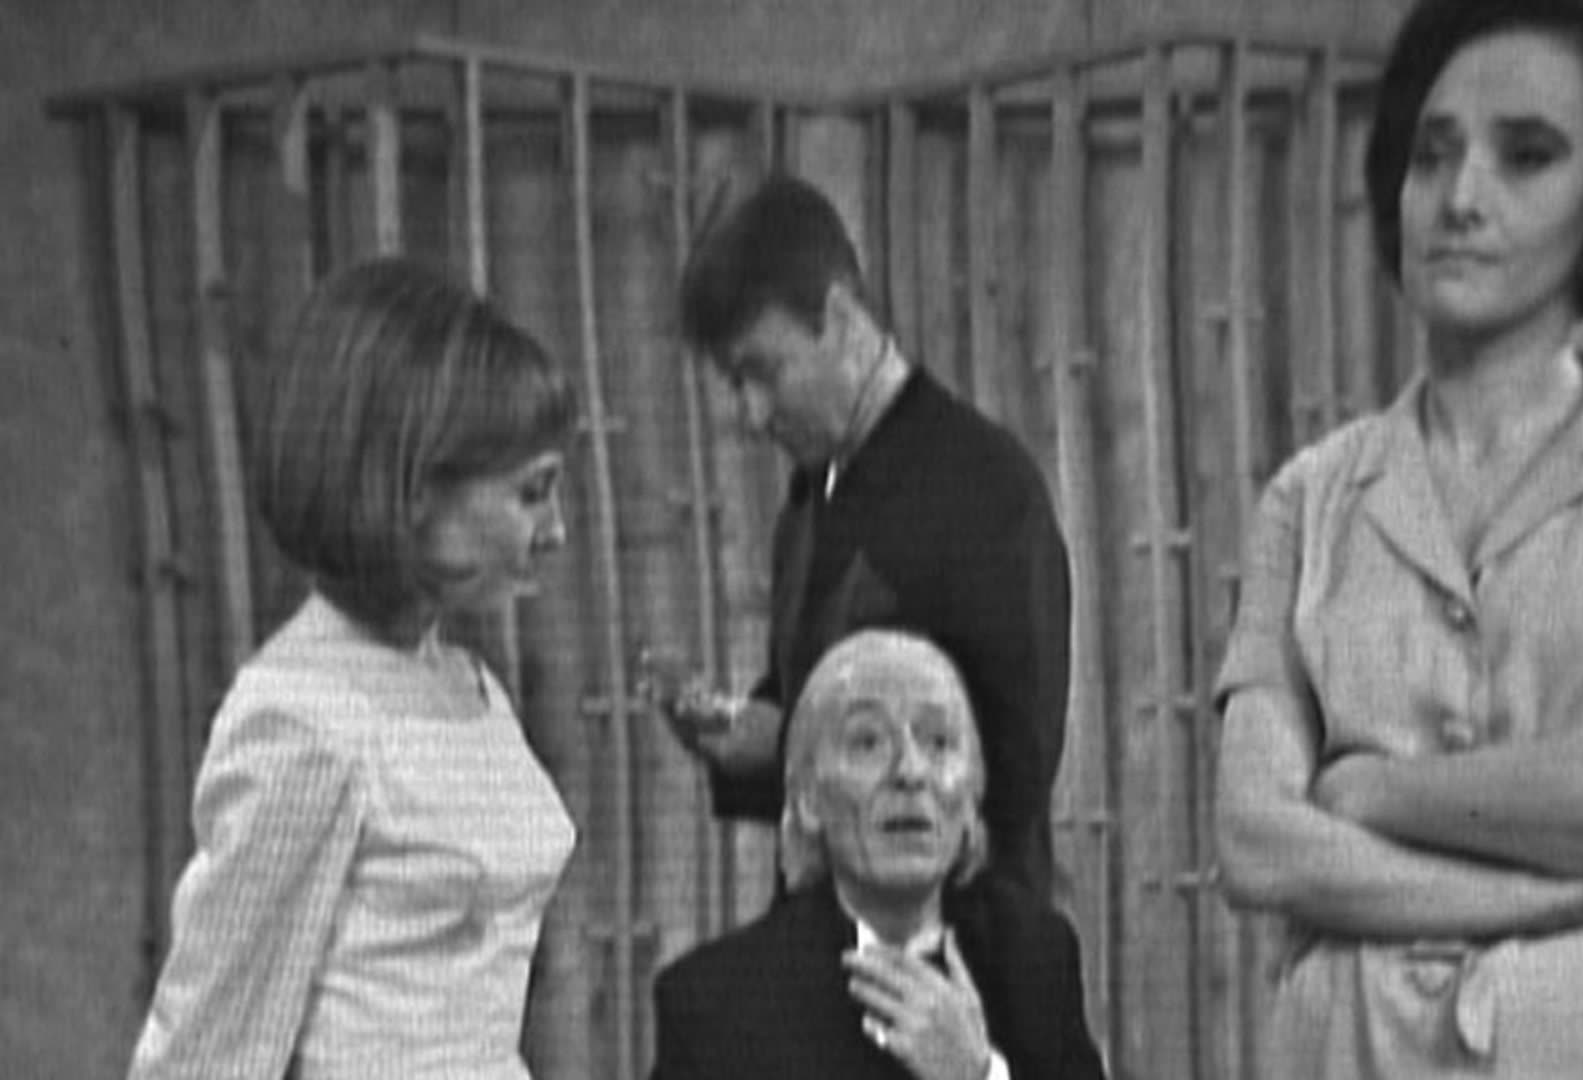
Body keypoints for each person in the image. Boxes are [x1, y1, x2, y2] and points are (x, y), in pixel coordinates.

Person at [1212, 0, 1583, 1076]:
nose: (1460, 198)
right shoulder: (1309, 498)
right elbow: (1256, 840)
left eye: (1527, 156)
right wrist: (1540, 894)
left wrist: (1373, 790)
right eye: (1432, 155)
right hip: (1356, 1052)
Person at [127, 258, 579, 1079]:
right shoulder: (305, 717)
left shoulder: (464, 683)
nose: (555, 530)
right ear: (414, 487)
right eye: (531, 493)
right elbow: (207, 1048)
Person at [656, 174, 1071, 894]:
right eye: (735, 384)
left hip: (961, 936)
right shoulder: (809, 498)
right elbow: (810, 706)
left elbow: (1013, 769)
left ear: (841, 318)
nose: (753, 414)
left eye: (764, 372)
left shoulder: (983, 485)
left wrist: (797, 742)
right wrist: (744, 735)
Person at [650, 630, 1107, 1080]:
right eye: (867, 742)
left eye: (939, 743)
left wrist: (980, 1075)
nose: (910, 771)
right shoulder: (716, 1005)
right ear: (808, 800)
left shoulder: (1035, 963)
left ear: (972, 797)